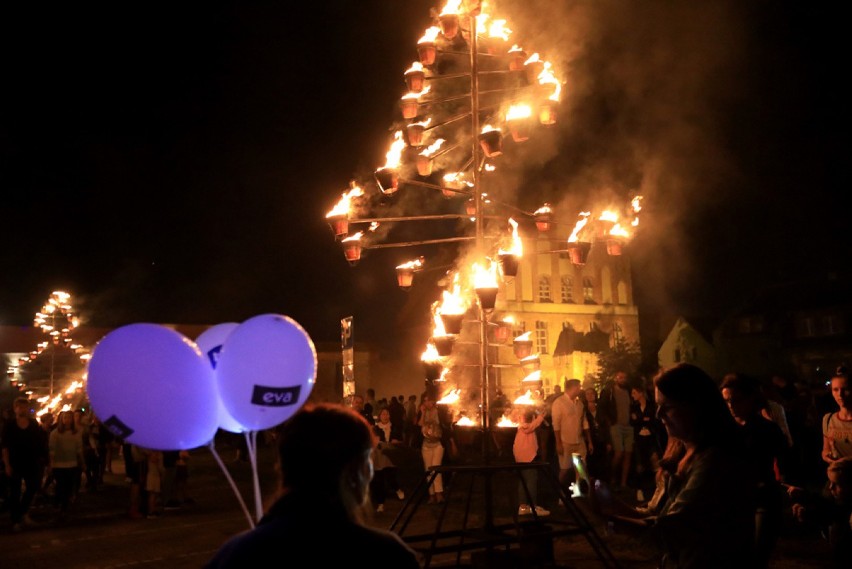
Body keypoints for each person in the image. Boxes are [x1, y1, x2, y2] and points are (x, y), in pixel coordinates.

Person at [204, 402, 420, 568]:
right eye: (368, 461)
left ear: (284, 468)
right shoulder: (386, 556)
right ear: (354, 471)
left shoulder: (235, 555)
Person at [602, 363, 756, 568]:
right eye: (657, 406)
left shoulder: (715, 460)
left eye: (667, 407)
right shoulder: (679, 452)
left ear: (695, 406)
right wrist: (608, 502)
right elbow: (656, 513)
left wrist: (609, 520)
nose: (658, 415)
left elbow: (671, 531)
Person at [721, 372, 791, 569]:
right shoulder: (723, 430)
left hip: (763, 500)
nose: (731, 406)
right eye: (726, 401)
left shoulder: (767, 429)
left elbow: (784, 458)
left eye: (736, 400)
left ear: (750, 398)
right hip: (733, 501)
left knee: (757, 557)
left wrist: (786, 484)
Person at [787, 456, 852, 568]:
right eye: (830, 482)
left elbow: (838, 513)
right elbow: (828, 508)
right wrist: (806, 506)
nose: (831, 487)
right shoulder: (835, 494)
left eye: (836, 484)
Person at [1, 397, 49, 531]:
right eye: (20, 407)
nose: (23, 409)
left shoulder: (33, 423)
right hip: (15, 462)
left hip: (31, 462)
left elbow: (40, 442)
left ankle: (22, 512)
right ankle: (16, 520)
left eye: (25, 407)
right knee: (15, 492)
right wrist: (7, 464)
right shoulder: (10, 425)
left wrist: (43, 459)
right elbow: (5, 446)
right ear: (15, 408)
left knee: (33, 487)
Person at [551, 378, 591, 494]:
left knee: (581, 468)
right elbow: (556, 424)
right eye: (579, 387)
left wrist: (589, 441)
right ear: (573, 388)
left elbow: (584, 422)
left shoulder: (580, 404)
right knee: (564, 469)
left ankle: (579, 492)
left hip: (579, 441)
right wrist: (558, 442)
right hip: (565, 441)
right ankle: (560, 493)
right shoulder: (559, 403)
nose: (580, 389)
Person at [599, 370, 634, 492]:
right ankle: (613, 478)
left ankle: (623, 483)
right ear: (616, 378)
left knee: (628, 454)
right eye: (620, 377)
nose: (623, 380)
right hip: (616, 425)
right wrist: (608, 421)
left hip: (628, 425)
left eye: (624, 377)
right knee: (619, 453)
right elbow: (602, 408)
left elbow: (632, 405)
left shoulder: (628, 391)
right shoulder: (609, 391)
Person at [48, 410, 84, 519]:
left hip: (72, 464)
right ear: (61, 420)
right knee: (60, 486)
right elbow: (52, 450)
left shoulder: (76, 433)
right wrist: (51, 464)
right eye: (65, 418)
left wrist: (82, 462)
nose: (67, 420)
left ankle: (64, 508)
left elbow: (79, 449)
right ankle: (57, 503)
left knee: (68, 487)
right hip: (59, 465)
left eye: (69, 417)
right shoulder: (55, 433)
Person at [513, 407, 549, 517]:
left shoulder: (523, 420)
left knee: (524, 480)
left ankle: (523, 507)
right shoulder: (522, 422)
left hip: (524, 454)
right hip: (527, 454)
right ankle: (532, 507)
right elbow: (528, 428)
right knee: (531, 479)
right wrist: (539, 418)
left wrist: (538, 417)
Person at [629, 383, 661, 503]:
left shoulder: (651, 405)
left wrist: (641, 420)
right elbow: (633, 421)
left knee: (655, 460)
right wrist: (644, 420)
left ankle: (659, 488)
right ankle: (640, 489)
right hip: (639, 438)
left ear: (641, 393)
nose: (632, 396)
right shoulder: (634, 407)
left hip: (650, 437)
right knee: (640, 463)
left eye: (634, 393)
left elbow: (653, 419)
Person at [419, 392, 446, 503]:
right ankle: (431, 494)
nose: (427, 403)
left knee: (436, 468)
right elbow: (420, 424)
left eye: (429, 400)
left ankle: (439, 493)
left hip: (437, 444)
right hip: (426, 445)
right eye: (425, 400)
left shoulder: (439, 411)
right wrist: (422, 413)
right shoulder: (423, 412)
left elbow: (442, 424)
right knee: (428, 470)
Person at [582, 386, 611, 486]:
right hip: (590, 438)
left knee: (602, 461)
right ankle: (592, 483)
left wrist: (608, 441)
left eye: (592, 393)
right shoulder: (583, 409)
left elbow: (606, 425)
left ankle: (602, 482)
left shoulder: (600, 408)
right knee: (591, 461)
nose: (590, 396)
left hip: (601, 438)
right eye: (587, 394)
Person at [822, 367, 852, 464]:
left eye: (845, 389)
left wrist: (845, 461)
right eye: (835, 389)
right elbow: (825, 449)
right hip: (838, 477)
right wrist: (826, 455)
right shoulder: (828, 419)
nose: (840, 394)